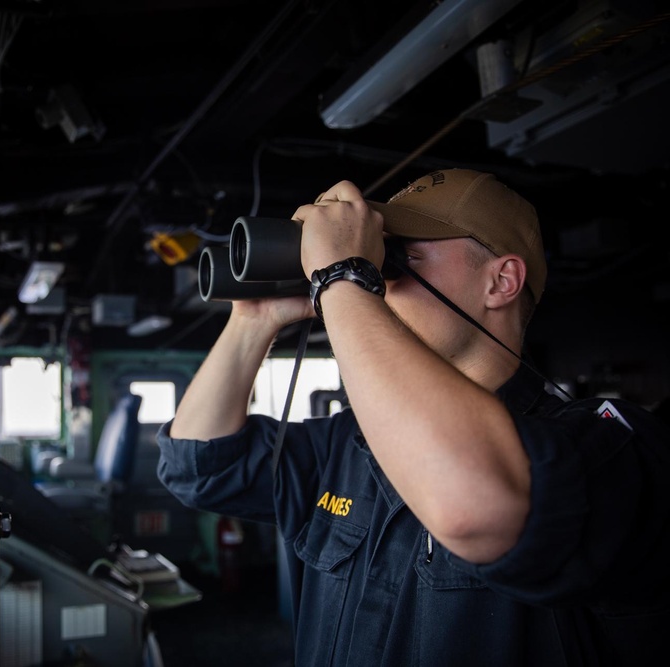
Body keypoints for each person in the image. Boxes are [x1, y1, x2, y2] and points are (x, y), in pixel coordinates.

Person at [156, 168, 670, 666]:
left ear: (501, 281)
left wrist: (342, 275)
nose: (380, 277)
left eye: (401, 258)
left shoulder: (608, 449)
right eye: (377, 258)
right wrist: (255, 319)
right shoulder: (347, 443)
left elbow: (475, 502)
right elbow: (201, 468)